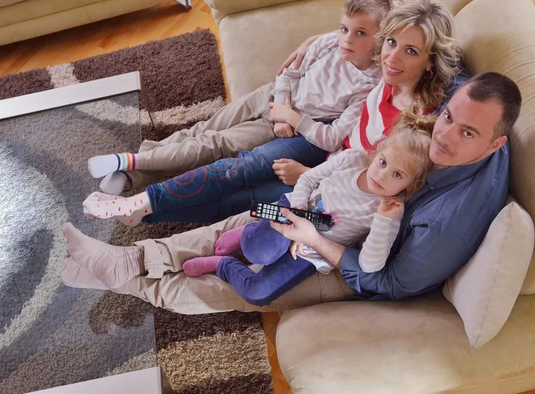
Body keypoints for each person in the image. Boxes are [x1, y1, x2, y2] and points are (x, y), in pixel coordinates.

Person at [60, 72, 521, 313]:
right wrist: (301, 206)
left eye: (467, 134)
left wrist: (316, 239)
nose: (445, 136)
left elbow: (390, 283)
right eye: (447, 119)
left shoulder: (449, 222)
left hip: (349, 263)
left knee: (246, 282)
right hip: (323, 212)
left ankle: (129, 279)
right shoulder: (462, 98)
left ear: (495, 144)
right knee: (249, 223)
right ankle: (126, 260)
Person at [81, 0, 461, 226]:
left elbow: (372, 174)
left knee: (246, 203)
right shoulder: (385, 75)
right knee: (236, 164)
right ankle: (140, 193)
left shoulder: (410, 118)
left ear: (430, 61)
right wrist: (319, 41)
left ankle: (145, 213)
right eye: (389, 44)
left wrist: (310, 175)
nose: (391, 57)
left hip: (329, 178)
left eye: (408, 51)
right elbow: (356, 36)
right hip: (323, 155)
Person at [87, 0, 390, 195]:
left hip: (279, 126)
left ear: (380, 39)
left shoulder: (369, 87)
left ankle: (127, 162)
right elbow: (289, 73)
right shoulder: (327, 42)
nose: (346, 40)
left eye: (360, 33)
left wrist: (290, 120)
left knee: (215, 144)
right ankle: (132, 171)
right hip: (270, 96)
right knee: (202, 129)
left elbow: (333, 137)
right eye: (343, 29)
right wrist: (282, 103)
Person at [180, 112, 434, 307]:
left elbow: (369, 265)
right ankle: (245, 234)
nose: (382, 175)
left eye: (398, 174)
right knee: (259, 250)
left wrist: (382, 220)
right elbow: (307, 179)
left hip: (312, 250)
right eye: (383, 162)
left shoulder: (389, 213)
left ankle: (223, 264)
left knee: (258, 294)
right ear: (377, 152)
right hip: (293, 210)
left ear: (411, 185)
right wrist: (298, 217)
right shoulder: (352, 159)